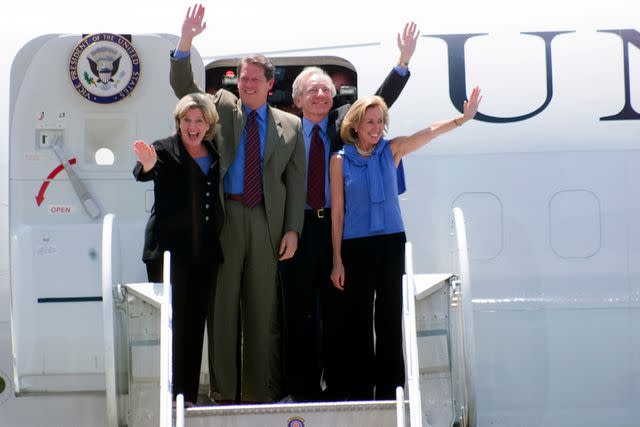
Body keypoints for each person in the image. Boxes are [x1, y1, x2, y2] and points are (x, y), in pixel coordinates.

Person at [170, 4, 305, 403]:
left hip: (267, 222)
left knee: (262, 312)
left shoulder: (290, 125)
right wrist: (186, 41)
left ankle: (259, 393)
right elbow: (183, 87)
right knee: (224, 308)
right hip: (227, 218)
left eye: (252, 79)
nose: (246, 84)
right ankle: (224, 393)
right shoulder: (224, 107)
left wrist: (293, 229)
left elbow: (294, 182)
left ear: (269, 83)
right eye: (242, 78)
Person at [280, 22, 419, 402]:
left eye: (326, 89)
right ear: (298, 99)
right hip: (300, 228)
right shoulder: (285, 130)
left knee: (342, 310)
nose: (321, 95)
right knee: (300, 311)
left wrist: (402, 61)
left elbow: (378, 100)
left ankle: (344, 385)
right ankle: (303, 389)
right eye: (313, 90)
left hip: (339, 230)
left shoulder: (343, 125)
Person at [330, 87, 482, 400]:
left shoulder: (392, 150)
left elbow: (428, 133)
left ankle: (389, 390)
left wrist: (462, 119)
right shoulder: (339, 160)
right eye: (369, 122)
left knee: (388, 316)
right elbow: (337, 213)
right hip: (356, 245)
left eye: (379, 122)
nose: (375, 128)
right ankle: (360, 390)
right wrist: (337, 260)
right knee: (358, 319)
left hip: (390, 242)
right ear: (355, 125)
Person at [132, 92, 224, 407]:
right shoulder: (163, 149)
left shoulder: (214, 152)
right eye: (187, 120)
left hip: (203, 253)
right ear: (179, 122)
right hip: (169, 254)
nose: (193, 126)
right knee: (173, 323)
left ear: (209, 124)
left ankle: (187, 395)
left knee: (195, 321)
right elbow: (145, 171)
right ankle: (171, 394)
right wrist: (146, 164)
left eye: (199, 121)